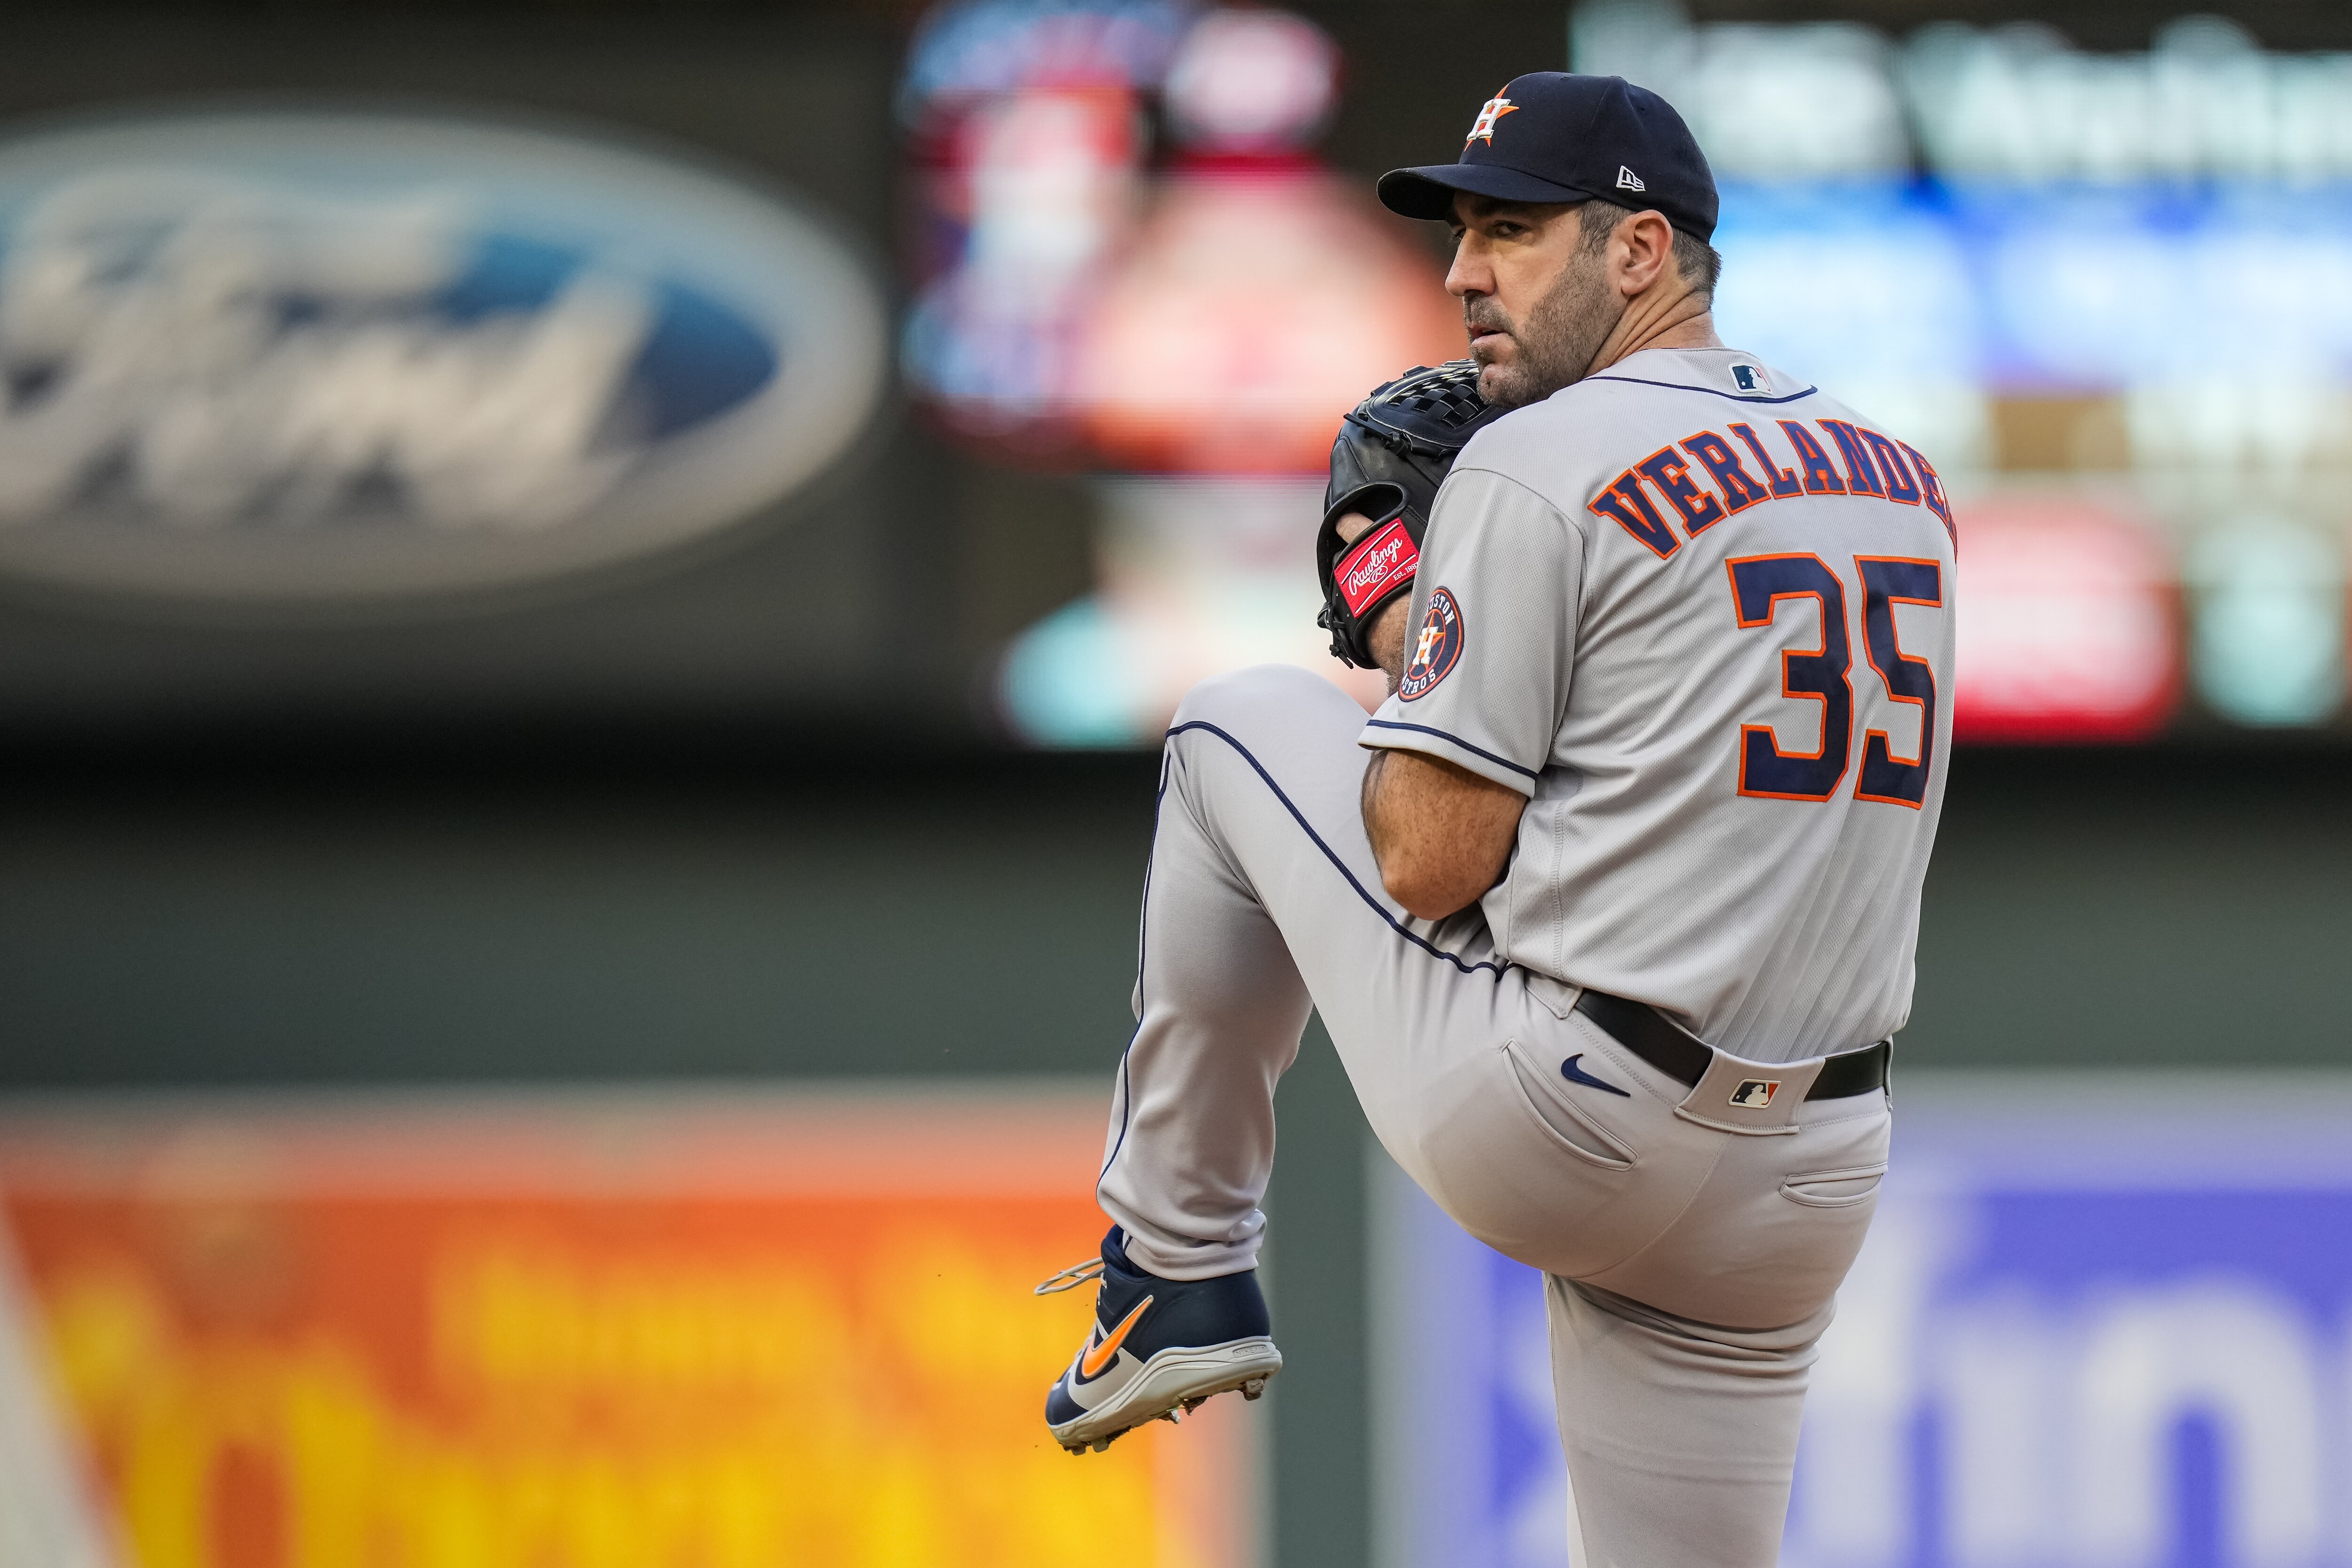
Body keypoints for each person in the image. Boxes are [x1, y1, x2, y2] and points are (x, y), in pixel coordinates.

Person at [1039, 71, 1954, 1568]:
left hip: (1573, 1117)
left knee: (1229, 726)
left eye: (1515, 231)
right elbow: (1669, 751)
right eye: (1466, 230)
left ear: (1640, 251)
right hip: (1811, 1173)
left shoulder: (1536, 462)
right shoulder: (1905, 481)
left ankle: (1176, 1269)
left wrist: (1401, 613)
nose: (1464, 272)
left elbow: (1430, 857)